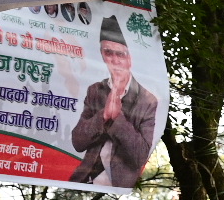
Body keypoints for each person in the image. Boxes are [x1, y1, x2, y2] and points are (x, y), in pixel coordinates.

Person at [68, 16, 159, 187]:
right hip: (86, 180)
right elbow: (77, 142)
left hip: (118, 185)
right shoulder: (95, 90)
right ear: (102, 55)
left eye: (120, 54)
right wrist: (103, 116)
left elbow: (140, 157)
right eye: (108, 53)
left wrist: (117, 118)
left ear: (130, 58)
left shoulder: (147, 100)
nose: (115, 60)